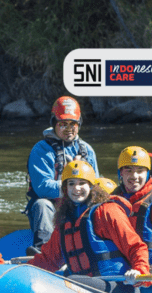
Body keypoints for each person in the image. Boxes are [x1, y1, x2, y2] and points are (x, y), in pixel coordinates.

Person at [28, 160, 151, 293]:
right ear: (65, 188)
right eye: (71, 183)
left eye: (82, 183)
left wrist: (139, 270)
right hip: (83, 287)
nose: (76, 188)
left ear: (92, 186)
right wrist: (22, 270)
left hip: (119, 287)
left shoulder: (106, 212)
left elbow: (136, 246)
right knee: (67, 277)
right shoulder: (65, 220)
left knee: (69, 280)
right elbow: (48, 259)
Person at [25, 96, 99, 255]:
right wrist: (72, 181)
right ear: (54, 123)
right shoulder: (41, 150)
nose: (69, 128)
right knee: (41, 204)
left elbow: (96, 186)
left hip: (80, 205)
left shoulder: (87, 150)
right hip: (52, 208)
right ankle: (43, 252)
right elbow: (43, 188)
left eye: (73, 124)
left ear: (79, 124)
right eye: (63, 124)